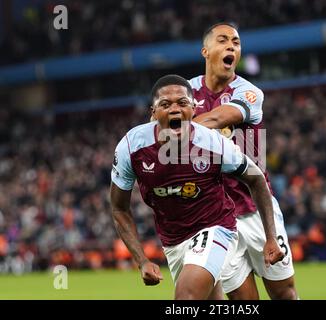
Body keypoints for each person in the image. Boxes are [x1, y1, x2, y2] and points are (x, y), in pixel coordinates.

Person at [110, 74, 284, 300]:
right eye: (165, 104)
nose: (175, 109)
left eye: (182, 103)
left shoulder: (213, 143)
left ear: (193, 109)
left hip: (215, 226)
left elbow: (256, 178)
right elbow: (119, 208)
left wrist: (271, 236)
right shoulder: (131, 147)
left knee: (186, 298)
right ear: (153, 113)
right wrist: (141, 259)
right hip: (173, 240)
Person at [189, 22, 297, 300]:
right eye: (223, 41)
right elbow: (158, 117)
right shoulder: (185, 93)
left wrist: (170, 131)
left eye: (236, 43)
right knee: (242, 301)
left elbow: (217, 118)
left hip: (255, 210)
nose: (231, 47)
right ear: (205, 50)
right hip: (217, 218)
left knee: (284, 293)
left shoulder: (249, 92)